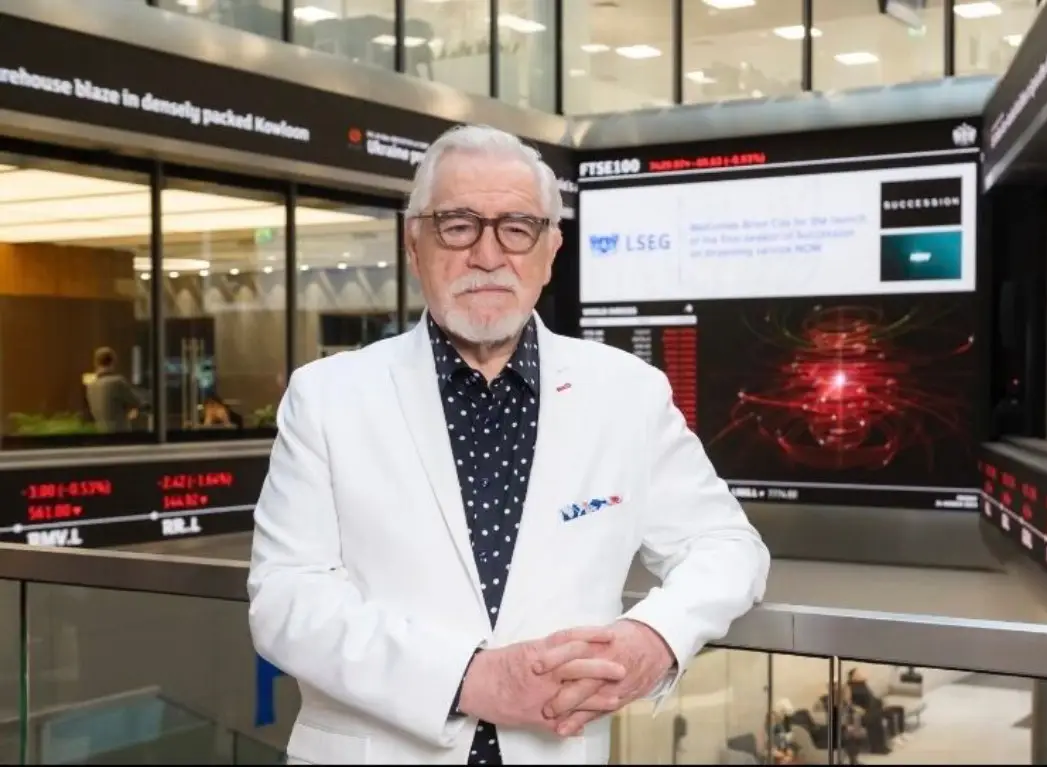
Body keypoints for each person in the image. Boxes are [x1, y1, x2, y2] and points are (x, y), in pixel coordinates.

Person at [247, 123, 770, 765]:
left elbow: (727, 546)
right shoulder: (326, 396)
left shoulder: (627, 393)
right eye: (458, 225)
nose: (489, 255)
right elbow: (285, 598)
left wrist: (654, 637)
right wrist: (468, 680)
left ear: (551, 251)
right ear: (415, 244)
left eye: (517, 227)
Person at [84, 346, 143, 432]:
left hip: (101, 434)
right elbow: (137, 402)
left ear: (96, 363)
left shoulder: (90, 387)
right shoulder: (117, 382)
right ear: (113, 362)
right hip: (119, 435)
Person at [846, 668, 906, 748]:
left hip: (875, 708)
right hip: (868, 712)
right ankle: (893, 737)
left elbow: (872, 697)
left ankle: (901, 733)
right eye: (858, 674)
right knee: (890, 714)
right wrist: (858, 709)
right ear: (853, 677)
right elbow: (849, 702)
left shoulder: (863, 684)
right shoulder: (849, 687)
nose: (861, 674)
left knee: (899, 709)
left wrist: (882, 702)